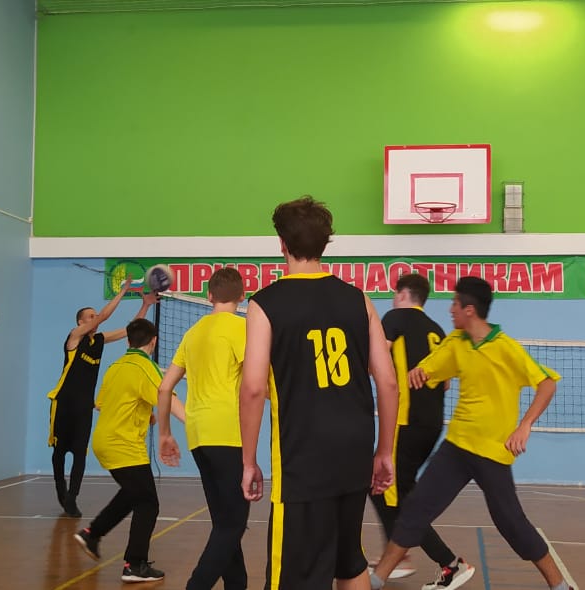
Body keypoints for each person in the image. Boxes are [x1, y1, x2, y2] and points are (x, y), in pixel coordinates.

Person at [369, 276, 571, 590]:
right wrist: (419, 373)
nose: (450, 309)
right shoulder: (456, 342)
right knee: (415, 509)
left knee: (511, 523)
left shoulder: (506, 348)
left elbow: (547, 384)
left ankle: (559, 585)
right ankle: (376, 580)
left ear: (470, 310)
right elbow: (432, 370)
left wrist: (525, 425)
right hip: (456, 447)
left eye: (454, 304)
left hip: (491, 450)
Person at [239, 196, 398, 590]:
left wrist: (248, 460)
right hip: (354, 450)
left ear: (282, 243)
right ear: (325, 243)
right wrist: (385, 451)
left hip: (304, 459)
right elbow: (388, 382)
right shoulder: (358, 299)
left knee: (292, 577)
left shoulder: (264, 304)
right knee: (349, 562)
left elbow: (254, 387)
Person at [156, 267, 251, 590]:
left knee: (224, 521)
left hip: (198, 434)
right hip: (228, 433)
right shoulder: (241, 327)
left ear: (209, 296)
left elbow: (164, 388)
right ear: (242, 296)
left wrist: (165, 433)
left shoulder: (192, 333)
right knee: (233, 523)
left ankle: (237, 585)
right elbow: (256, 380)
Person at [367, 272, 466, 582]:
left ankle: (446, 561)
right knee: (395, 490)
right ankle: (399, 555)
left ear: (401, 294)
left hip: (405, 422)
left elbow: (375, 361)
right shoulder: (437, 330)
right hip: (431, 424)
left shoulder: (395, 318)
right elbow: (445, 383)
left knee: (383, 488)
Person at [48, 277, 157, 517]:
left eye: (95, 315)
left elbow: (130, 330)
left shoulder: (98, 340)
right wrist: (124, 290)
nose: (95, 318)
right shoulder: (74, 338)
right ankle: (60, 489)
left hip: (85, 406)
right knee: (59, 452)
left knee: (80, 453)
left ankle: (72, 499)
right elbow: (105, 317)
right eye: (91, 316)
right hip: (64, 403)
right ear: (80, 322)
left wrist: (146, 305)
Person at [72, 318, 168, 583]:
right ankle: (134, 565)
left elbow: (101, 403)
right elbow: (165, 398)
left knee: (132, 493)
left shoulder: (115, 367)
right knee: (148, 503)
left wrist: (142, 413)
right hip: (123, 444)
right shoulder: (145, 367)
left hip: (103, 441)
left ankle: (92, 534)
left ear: (127, 341)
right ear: (153, 341)